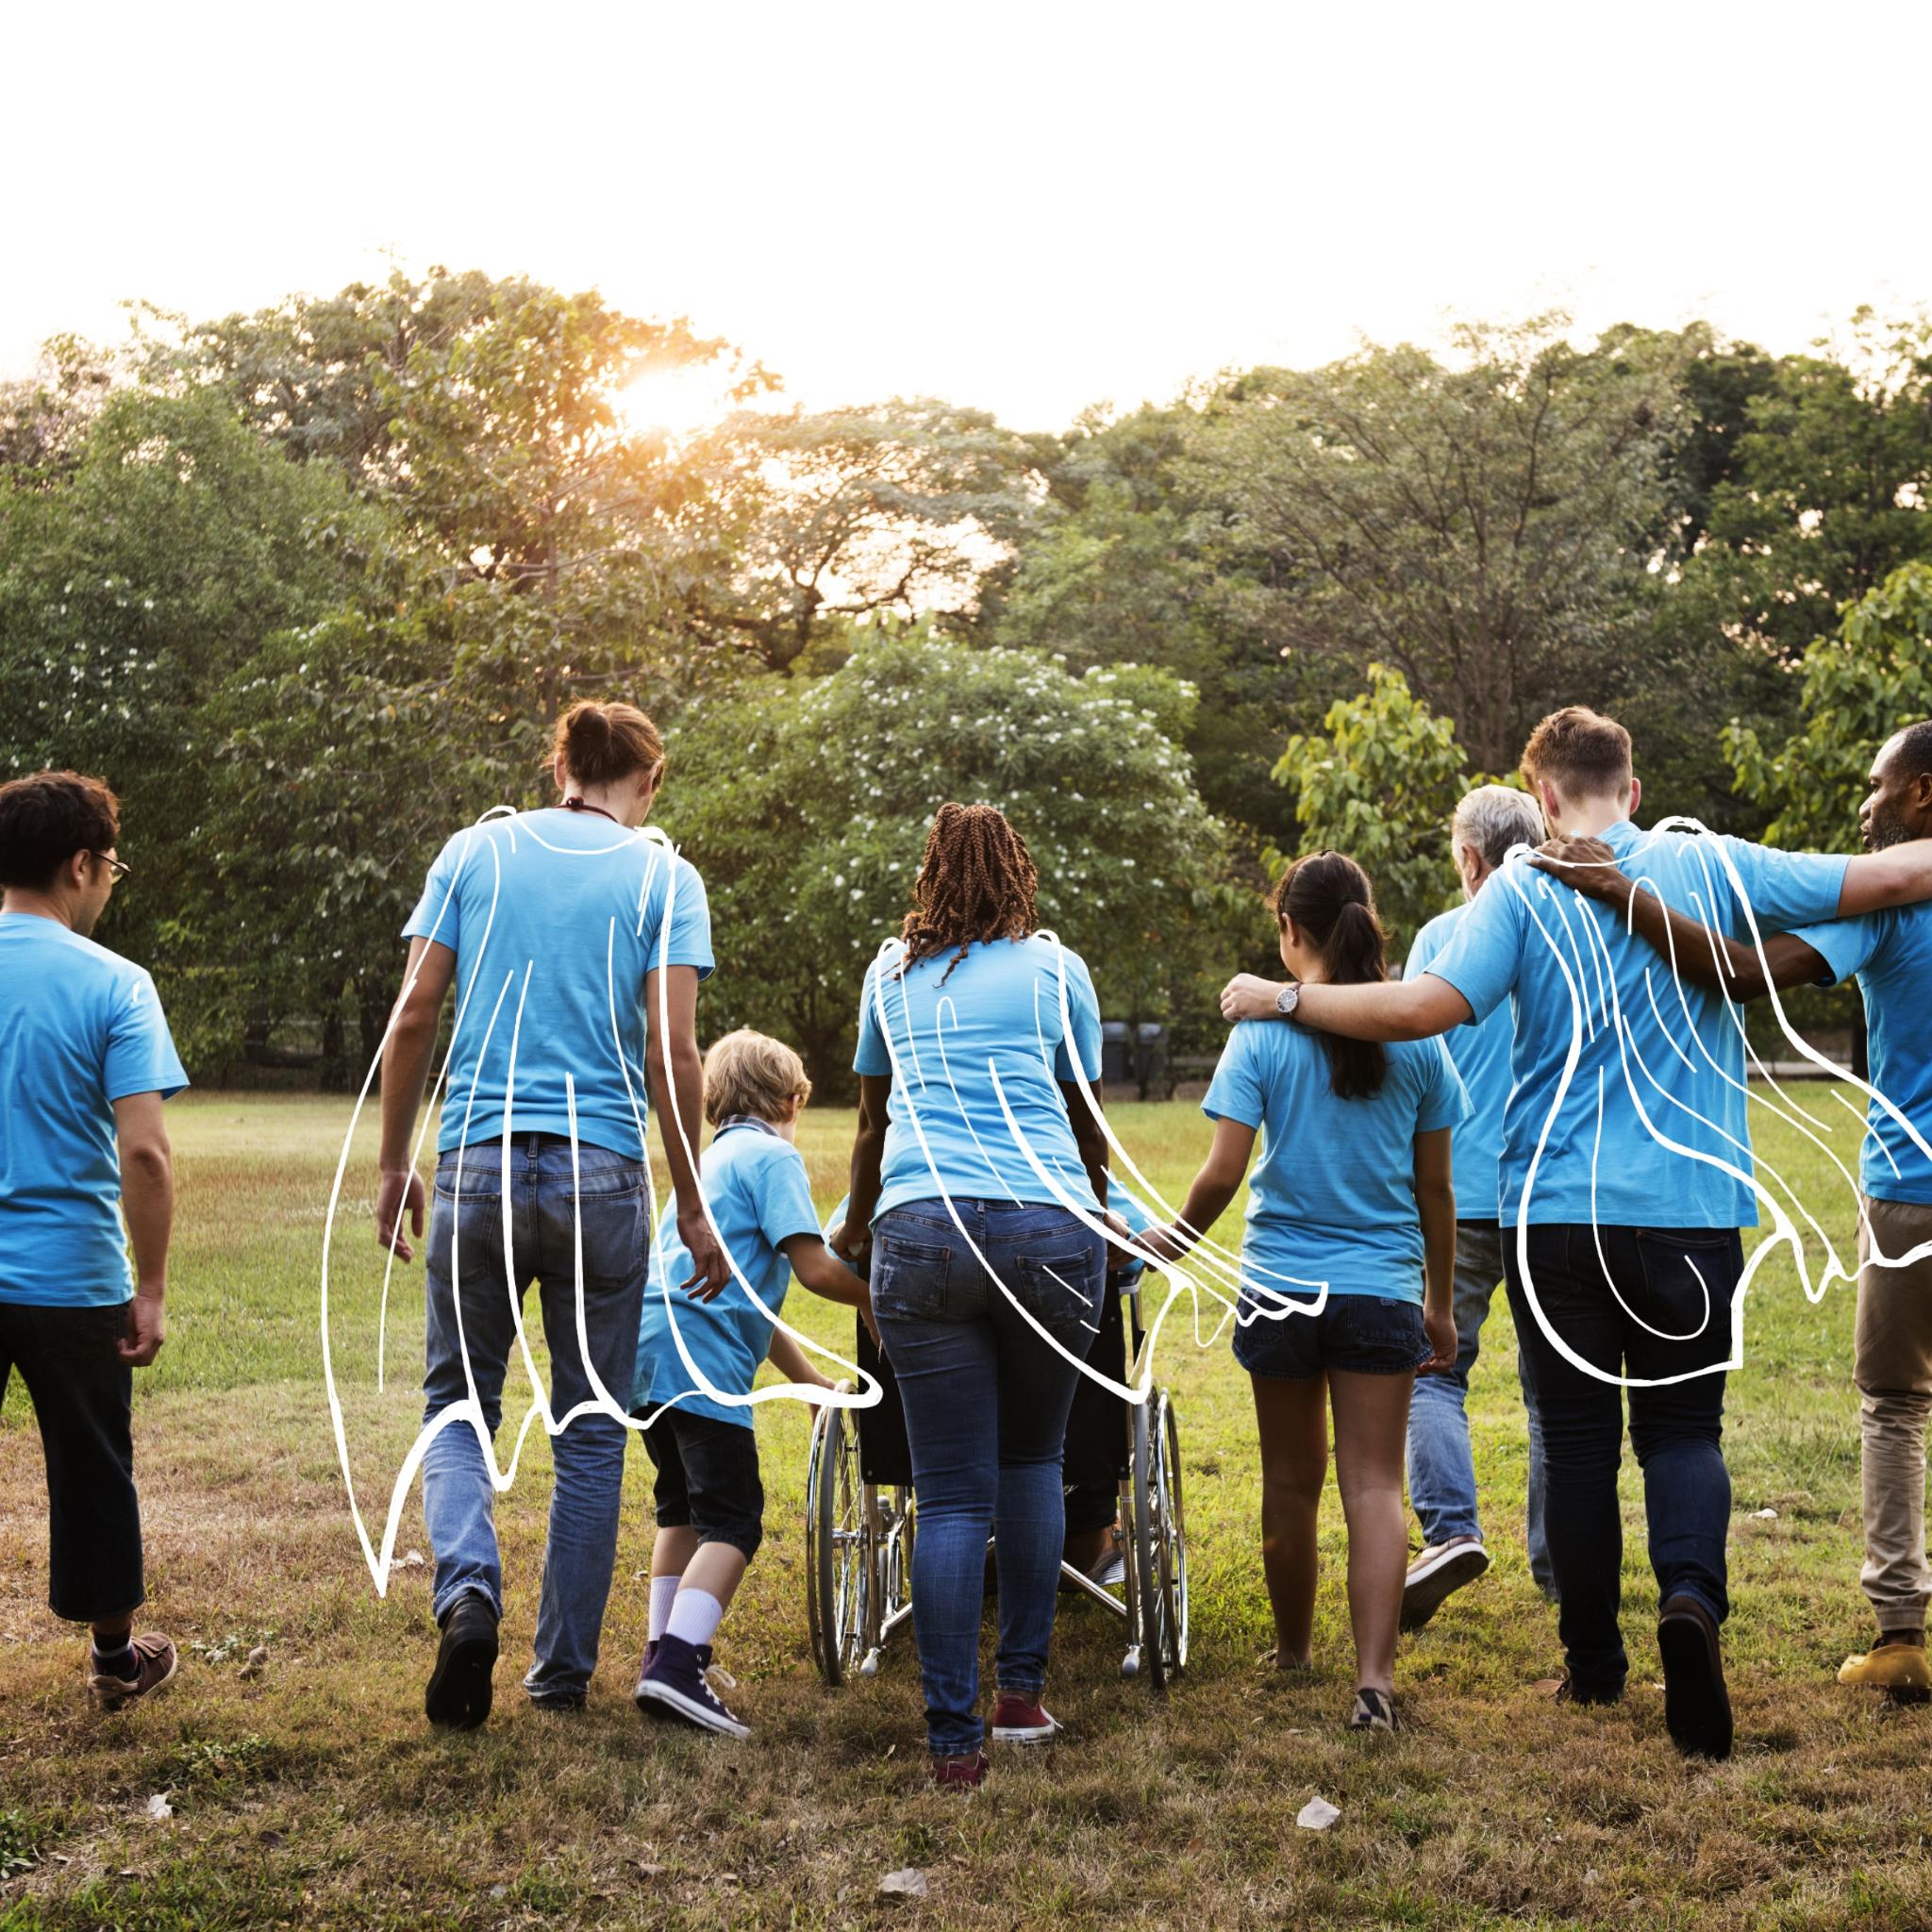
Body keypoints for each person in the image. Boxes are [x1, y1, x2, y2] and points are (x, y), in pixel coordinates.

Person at [1220, 707, 1932, 1759]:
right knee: (1684, 1433)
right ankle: (1688, 1600)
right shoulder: (1710, 862)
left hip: (1554, 1217)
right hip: (1689, 1210)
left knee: (1580, 1444)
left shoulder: (1516, 889)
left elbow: (1417, 1008)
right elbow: (1889, 878)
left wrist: (1283, 994)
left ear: (1541, 799)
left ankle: (1595, 1665)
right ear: (1632, 790)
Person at [1532, 721, 1932, 1701]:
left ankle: (1900, 1634)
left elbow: (1739, 973)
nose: (1863, 803)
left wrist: (1620, 889)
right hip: (1727, 1211)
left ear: (1920, 794)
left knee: (1892, 1404)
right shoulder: (1875, 887)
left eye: (1876, 785)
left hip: (1909, 1193)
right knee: (1690, 1426)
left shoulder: (1890, 909)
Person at [375, 699, 728, 1729]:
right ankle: (559, 1674)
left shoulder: (474, 851)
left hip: (478, 1165)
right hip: (604, 1173)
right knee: (588, 1427)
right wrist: (696, 1207)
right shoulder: (665, 876)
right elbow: (673, 1052)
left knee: (456, 1402)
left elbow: (411, 1014)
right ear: (647, 781)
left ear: (560, 766)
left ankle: (467, 1593)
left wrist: (397, 1161)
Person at [835, 802, 1116, 1790]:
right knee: (1033, 1458)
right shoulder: (1055, 968)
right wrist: (1104, 1207)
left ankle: (952, 1741)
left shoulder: (888, 973)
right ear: (1017, 874)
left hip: (921, 1230)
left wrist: (855, 1226)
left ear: (929, 875)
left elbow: (870, 1126)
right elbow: (1086, 1119)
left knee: (950, 1492)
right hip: (1047, 1228)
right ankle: (1020, 1692)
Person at [1147, 853, 1462, 1732]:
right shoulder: (1418, 1039)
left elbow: (1219, 1177)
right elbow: (1437, 1193)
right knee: (1373, 1487)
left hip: (1280, 1291)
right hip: (1383, 1293)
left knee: (1291, 1482)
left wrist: (1162, 1246)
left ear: (1291, 933)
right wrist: (1438, 1303)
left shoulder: (1258, 1035)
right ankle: (1374, 1683)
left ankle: (1292, 1650)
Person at [0, 771, 188, 1711]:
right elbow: (145, 1153)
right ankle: (114, 1661)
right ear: (79, 864)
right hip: (70, 1274)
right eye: (108, 865)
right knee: (90, 1468)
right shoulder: (116, 983)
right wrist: (149, 1285)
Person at [631, 1029, 876, 1738]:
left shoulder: (710, 1162)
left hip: (651, 1351)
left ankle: (661, 1654)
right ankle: (680, 1663)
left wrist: (805, 1383)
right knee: (735, 1519)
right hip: (702, 1357)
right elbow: (814, 1269)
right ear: (789, 1097)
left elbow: (754, 1307)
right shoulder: (773, 1158)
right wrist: (875, 1299)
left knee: (680, 1510)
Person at [1401, 785, 1555, 1628]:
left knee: (1434, 1373)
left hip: (1453, 1195)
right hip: (1547, 1193)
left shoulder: (1439, 939)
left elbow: (1409, 1067)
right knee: (1553, 1391)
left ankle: (1452, 1532)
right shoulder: (1565, 931)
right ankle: (1558, 1564)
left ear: (1468, 858)